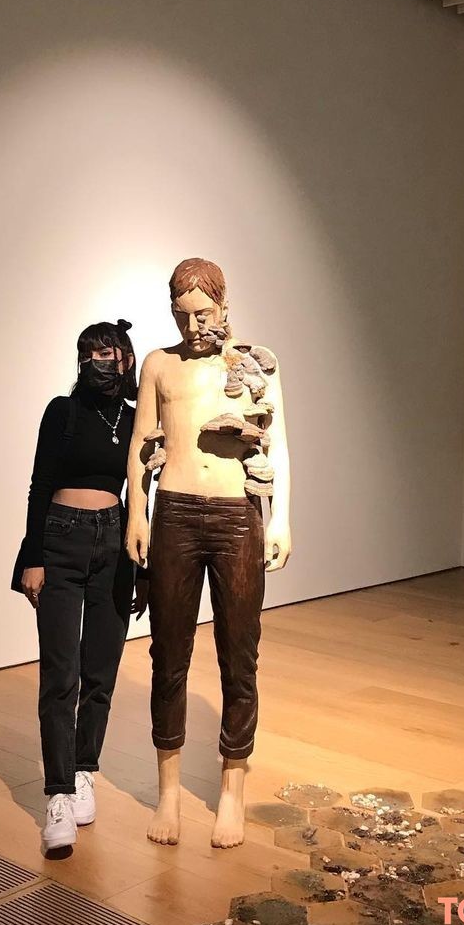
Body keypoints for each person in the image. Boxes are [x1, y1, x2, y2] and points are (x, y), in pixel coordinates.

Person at [126, 258, 293, 849]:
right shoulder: (159, 364)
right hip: (174, 512)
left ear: (224, 305)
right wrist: (137, 513)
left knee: (239, 655)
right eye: (182, 315)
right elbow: (141, 441)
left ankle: (231, 790)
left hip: (236, 515)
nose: (193, 325)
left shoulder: (253, 365)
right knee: (168, 653)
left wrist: (281, 518)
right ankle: (168, 792)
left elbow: (279, 441)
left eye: (203, 313)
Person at [16, 319, 146, 853]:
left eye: (108, 353)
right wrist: (33, 558)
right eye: (89, 353)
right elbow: (40, 484)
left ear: (127, 360)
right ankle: (58, 792)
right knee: (60, 674)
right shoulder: (62, 412)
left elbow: (142, 499)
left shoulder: (136, 421)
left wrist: (143, 568)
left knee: (101, 671)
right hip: (61, 541)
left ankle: (85, 769)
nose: (99, 362)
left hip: (115, 544)